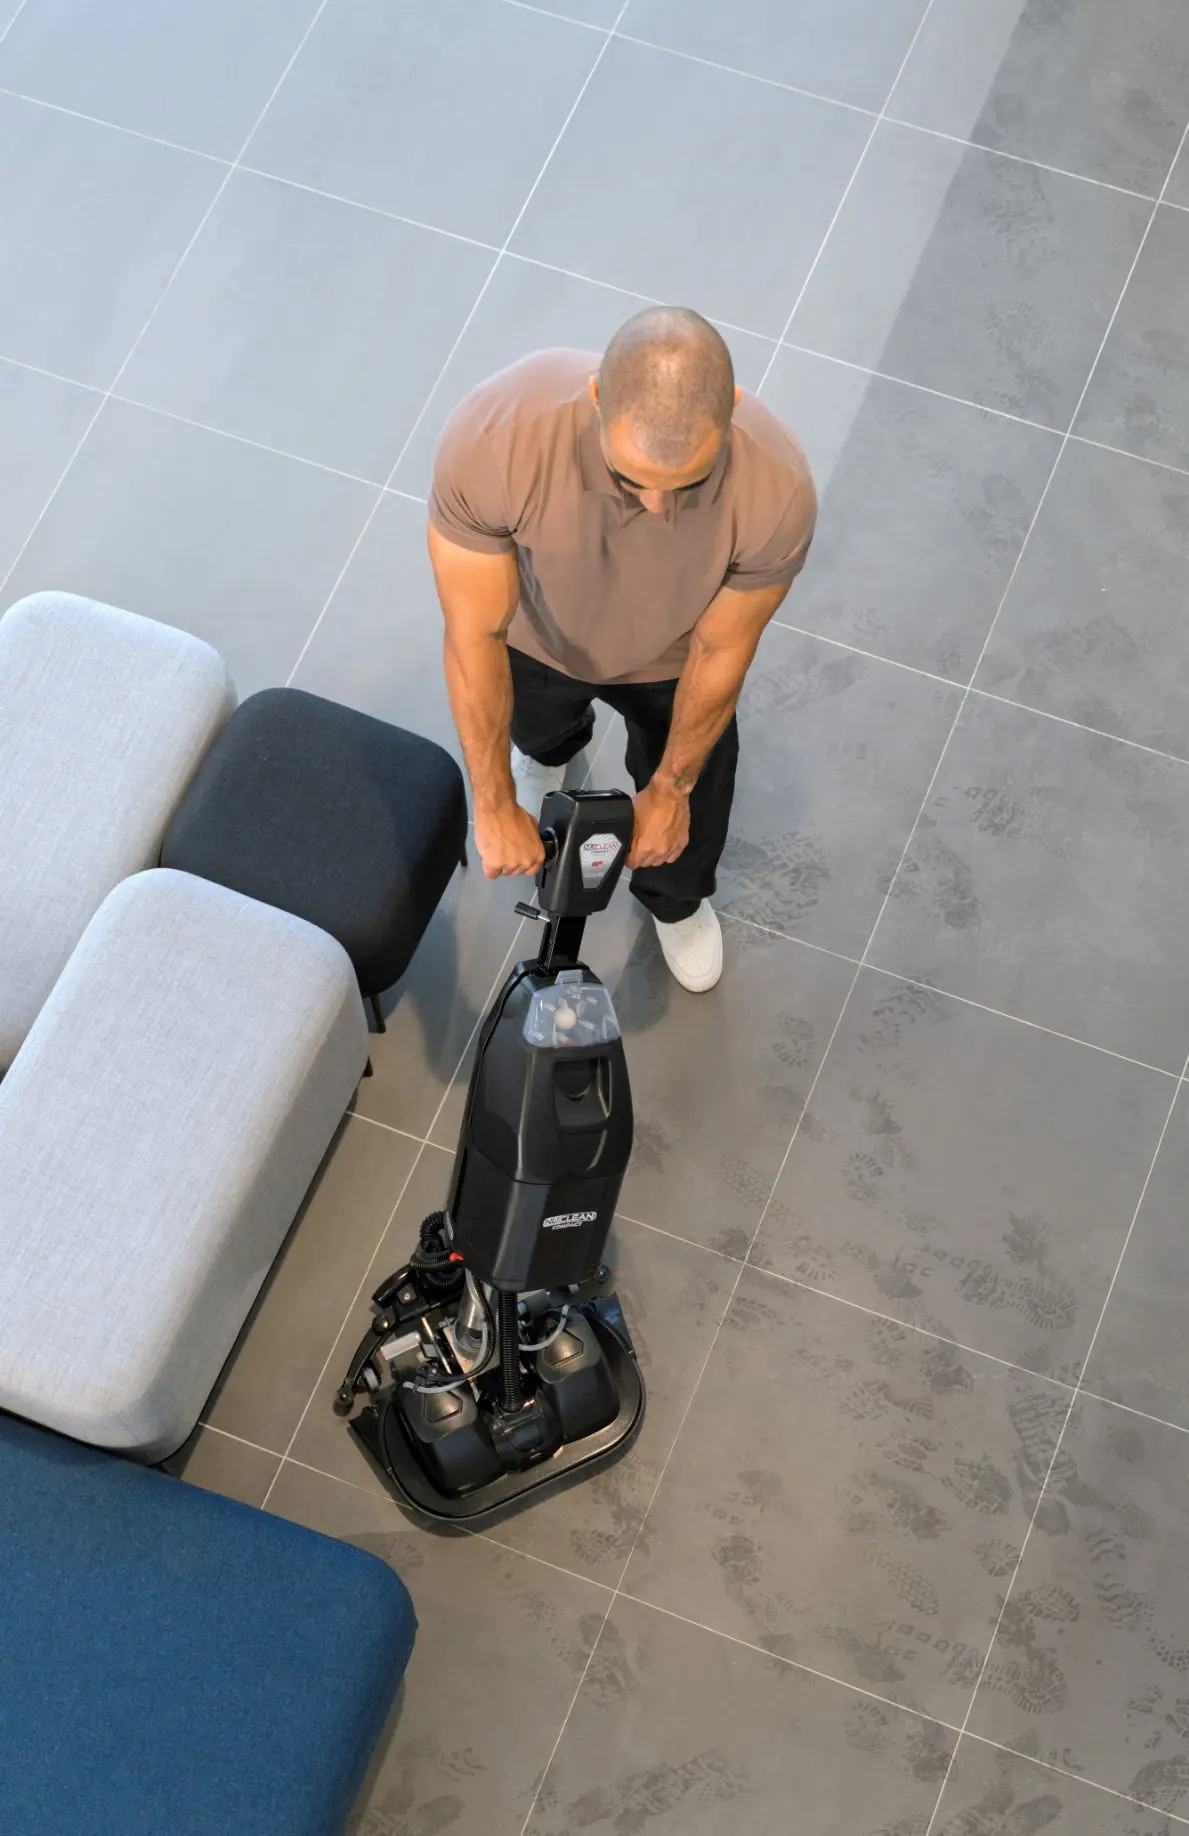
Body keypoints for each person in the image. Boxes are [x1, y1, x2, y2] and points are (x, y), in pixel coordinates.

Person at [428, 306, 816, 993]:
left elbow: (723, 651)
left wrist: (668, 789)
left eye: (687, 483)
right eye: (632, 480)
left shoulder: (775, 491)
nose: (658, 508)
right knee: (537, 734)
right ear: (596, 399)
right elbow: (472, 633)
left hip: (675, 660)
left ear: (728, 410)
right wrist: (489, 803)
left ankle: (675, 901)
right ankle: (547, 757)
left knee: (691, 810)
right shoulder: (496, 437)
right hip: (539, 635)